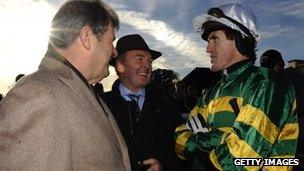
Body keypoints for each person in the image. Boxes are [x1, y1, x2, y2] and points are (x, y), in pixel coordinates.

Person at [0, 1, 130, 170]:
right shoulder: (39, 95)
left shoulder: (79, 90)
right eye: (111, 41)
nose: (114, 52)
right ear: (87, 38)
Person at [175, 3, 298, 170]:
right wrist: (220, 139)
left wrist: (201, 149)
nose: (208, 49)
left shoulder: (266, 83)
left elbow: (241, 160)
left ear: (239, 40)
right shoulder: (212, 90)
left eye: (214, 39)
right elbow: (179, 141)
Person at [102, 34, 187, 171]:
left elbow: (184, 153)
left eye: (149, 61)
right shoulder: (101, 105)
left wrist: (164, 165)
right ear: (120, 65)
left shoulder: (167, 107)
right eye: (139, 59)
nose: (147, 65)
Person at [260, 49, 304, 170]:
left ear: (280, 65)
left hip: (295, 146)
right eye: (265, 68)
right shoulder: (266, 84)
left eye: (271, 67)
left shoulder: (292, 78)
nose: (267, 72)